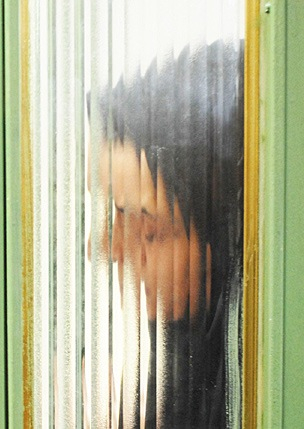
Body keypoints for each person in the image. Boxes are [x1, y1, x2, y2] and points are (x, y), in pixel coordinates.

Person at [95, 40, 244, 428]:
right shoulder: (182, 362)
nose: (110, 249)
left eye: (149, 231)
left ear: (225, 243)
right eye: (114, 215)